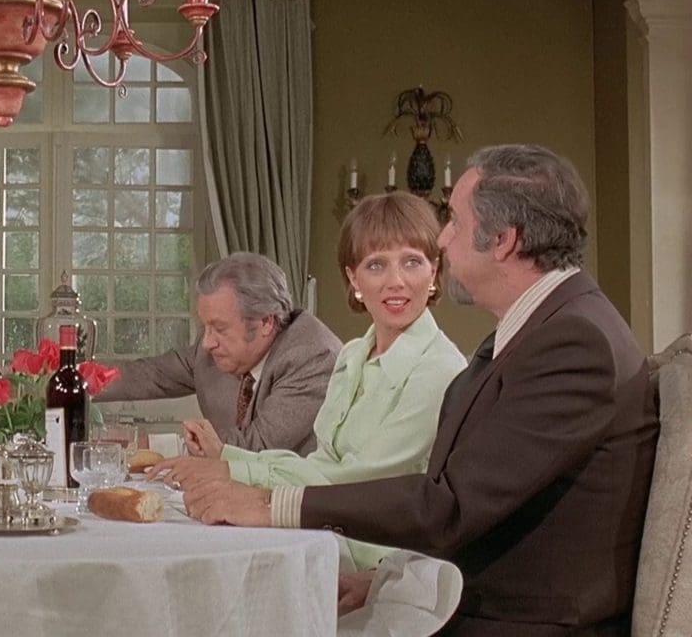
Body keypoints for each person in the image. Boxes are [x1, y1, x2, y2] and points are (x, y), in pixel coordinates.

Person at [185, 144, 659, 635]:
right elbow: (476, 501)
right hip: (469, 597)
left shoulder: (573, 343)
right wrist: (386, 578)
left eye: (454, 221)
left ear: (503, 241)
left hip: (513, 622)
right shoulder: (540, 330)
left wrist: (269, 504)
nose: (444, 241)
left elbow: (449, 506)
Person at [150, 193, 467, 570]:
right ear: (354, 277)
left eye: (412, 262)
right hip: (327, 536)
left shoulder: (439, 370)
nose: (396, 282)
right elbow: (322, 462)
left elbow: (359, 483)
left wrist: (235, 472)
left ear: (433, 271)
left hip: (378, 560)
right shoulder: (353, 355)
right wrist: (227, 457)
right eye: (376, 265)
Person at [98, 252, 342, 456]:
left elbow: (255, 448)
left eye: (220, 328)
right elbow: (149, 375)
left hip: (295, 496)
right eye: (205, 327)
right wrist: (77, 379)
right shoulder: (216, 350)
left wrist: (148, 445)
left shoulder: (313, 358)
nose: (207, 343)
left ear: (265, 322)